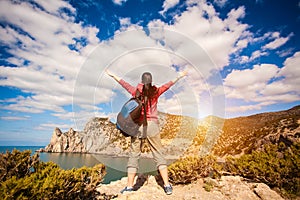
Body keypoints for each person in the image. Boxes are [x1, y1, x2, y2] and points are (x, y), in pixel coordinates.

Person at [106, 69, 187, 195]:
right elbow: (169, 84)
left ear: (142, 82)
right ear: (151, 81)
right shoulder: (156, 92)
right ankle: (167, 186)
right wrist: (180, 76)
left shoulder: (136, 91)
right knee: (158, 155)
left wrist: (113, 75)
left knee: (134, 155)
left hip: (138, 127)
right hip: (152, 126)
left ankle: (129, 187)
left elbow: (124, 83)